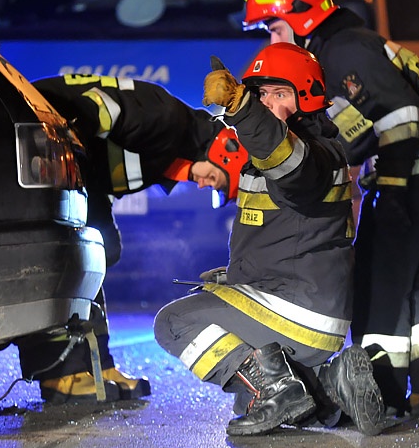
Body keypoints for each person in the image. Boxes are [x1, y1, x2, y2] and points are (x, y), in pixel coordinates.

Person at [241, 0, 419, 418]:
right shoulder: (349, 45)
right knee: (409, 278)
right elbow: (361, 126)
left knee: (379, 278)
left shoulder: (344, 49)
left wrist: (391, 187)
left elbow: (402, 115)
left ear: (300, 17)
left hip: (417, 173)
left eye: (273, 28)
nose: (271, 41)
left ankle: (382, 394)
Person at [153, 43, 386, 437]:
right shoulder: (286, 155)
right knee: (249, 401)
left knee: (172, 322)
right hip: (302, 304)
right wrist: (235, 279)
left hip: (300, 312)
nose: (267, 104)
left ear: (306, 98)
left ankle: (279, 388)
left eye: (280, 94)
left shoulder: (314, 154)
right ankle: (333, 386)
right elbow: (287, 241)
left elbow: (288, 164)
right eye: (261, 95)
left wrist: (243, 108)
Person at [16, 74, 248, 403]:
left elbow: (98, 165)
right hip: (36, 153)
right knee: (71, 255)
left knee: (102, 248)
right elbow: (91, 109)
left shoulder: (170, 150)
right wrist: (58, 160)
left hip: (66, 173)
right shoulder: (166, 121)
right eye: (218, 181)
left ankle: (96, 367)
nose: (206, 186)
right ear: (227, 154)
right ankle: (61, 373)